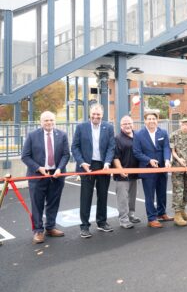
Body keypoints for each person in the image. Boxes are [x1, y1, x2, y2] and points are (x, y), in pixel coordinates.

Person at [21, 111, 70, 244]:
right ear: (41, 122)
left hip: (56, 175)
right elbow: (25, 156)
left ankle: (50, 227)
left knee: (53, 202)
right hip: (37, 175)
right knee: (37, 204)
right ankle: (38, 231)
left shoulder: (62, 135)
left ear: (54, 121)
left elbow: (66, 154)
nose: (49, 123)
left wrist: (59, 168)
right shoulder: (32, 136)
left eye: (51, 120)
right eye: (46, 120)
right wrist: (38, 168)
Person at [72, 104, 115, 238]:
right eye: (94, 114)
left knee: (103, 195)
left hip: (103, 166)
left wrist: (108, 162)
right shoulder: (81, 127)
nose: (96, 116)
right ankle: (84, 226)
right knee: (86, 197)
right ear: (90, 114)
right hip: (87, 166)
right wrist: (81, 163)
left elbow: (111, 147)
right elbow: (75, 147)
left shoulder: (108, 127)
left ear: (102, 115)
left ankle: (102, 222)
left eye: (98, 114)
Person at [133, 110, 172, 228]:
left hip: (161, 169)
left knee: (162, 192)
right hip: (147, 169)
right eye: (149, 119)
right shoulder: (139, 135)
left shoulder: (163, 132)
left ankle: (162, 213)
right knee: (149, 195)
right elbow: (136, 152)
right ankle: (152, 218)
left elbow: (166, 147)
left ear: (157, 120)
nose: (151, 121)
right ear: (145, 121)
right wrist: (149, 160)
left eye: (153, 119)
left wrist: (167, 160)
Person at [113, 115, 141, 229]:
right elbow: (115, 157)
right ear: (121, 126)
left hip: (134, 172)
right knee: (123, 198)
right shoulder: (117, 138)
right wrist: (120, 170)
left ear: (133, 124)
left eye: (129, 123)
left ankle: (131, 215)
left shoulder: (137, 136)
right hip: (122, 174)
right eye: (125, 124)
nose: (128, 126)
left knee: (132, 196)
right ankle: (123, 219)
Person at [169, 115, 187, 227]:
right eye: (183, 123)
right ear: (179, 123)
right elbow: (173, 151)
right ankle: (177, 214)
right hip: (177, 167)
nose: (185, 124)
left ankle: (183, 210)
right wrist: (179, 160)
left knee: (186, 189)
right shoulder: (174, 135)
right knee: (178, 190)